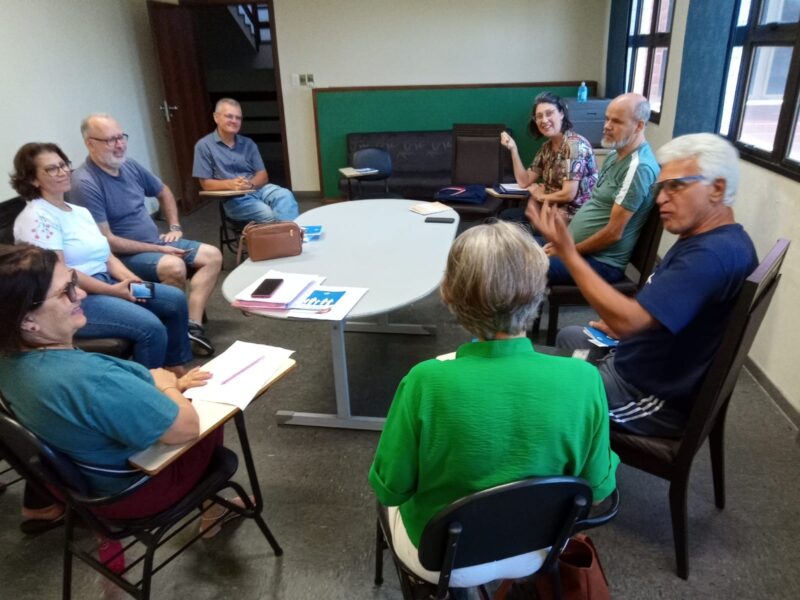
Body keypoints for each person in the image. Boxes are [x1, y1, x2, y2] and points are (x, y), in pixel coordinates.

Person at [368, 220, 618, 588]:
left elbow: (391, 487)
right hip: (540, 548)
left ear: (449, 294)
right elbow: (599, 486)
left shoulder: (425, 382)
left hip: (444, 558)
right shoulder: (584, 379)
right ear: (540, 290)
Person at [0, 245, 245, 564]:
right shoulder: (91, 378)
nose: (81, 294)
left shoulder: (12, 362)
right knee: (212, 404)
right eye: (65, 292)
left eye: (74, 282)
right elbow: (186, 429)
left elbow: (93, 407)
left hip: (80, 488)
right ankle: (213, 510)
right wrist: (168, 386)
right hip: (133, 495)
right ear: (27, 320)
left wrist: (160, 387)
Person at [528, 133, 758, 438]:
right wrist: (625, 327)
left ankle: (578, 449)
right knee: (571, 336)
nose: (661, 198)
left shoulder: (711, 255)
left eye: (676, 186)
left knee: (532, 391)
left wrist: (569, 255)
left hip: (646, 395)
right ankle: (577, 436)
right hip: (636, 358)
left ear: (717, 189)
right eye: (661, 188)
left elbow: (628, 322)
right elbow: (650, 311)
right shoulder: (710, 240)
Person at [11, 142, 192, 371]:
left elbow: (107, 257)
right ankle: (150, 385)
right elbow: (61, 273)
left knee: (174, 299)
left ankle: (175, 370)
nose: (63, 172)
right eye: (52, 169)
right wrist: (113, 291)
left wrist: (132, 280)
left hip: (110, 281)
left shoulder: (79, 211)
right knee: (150, 327)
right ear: (33, 180)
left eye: (64, 165)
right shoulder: (37, 217)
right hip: (75, 297)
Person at [69, 114, 221, 356]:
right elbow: (107, 241)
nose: (119, 145)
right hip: (124, 256)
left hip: (156, 243)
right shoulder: (85, 183)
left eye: (121, 137)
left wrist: (174, 227)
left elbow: (164, 191)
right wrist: (159, 249)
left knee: (212, 256)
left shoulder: (129, 166)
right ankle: (173, 333)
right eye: (110, 140)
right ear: (90, 143)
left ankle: (191, 326)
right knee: (174, 267)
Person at [527, 93, 660, 285]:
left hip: (601, 262)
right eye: (607, 119)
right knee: (516, 248)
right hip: (574, 247)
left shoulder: (639, 168)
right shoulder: (614, 155)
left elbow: (613, 233)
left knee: (523, 268)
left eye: (616, 121)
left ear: (639, 126)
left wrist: (567, 251)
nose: (606, 126)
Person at [192, 98, 299, 224]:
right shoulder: (204, 146)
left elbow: (263, 175)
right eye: (229, 116)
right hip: (233, 198)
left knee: (285, 195)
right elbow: (205, 184)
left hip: (257, 188)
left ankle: (286, 233)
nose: (234, 121)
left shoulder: (248, 143)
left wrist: (250, 184)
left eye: (238, 118)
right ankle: (282, 232)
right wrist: (231, 184)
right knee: (266, 213)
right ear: (216, 117)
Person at [500, 91, 598, 222]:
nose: (544, 120)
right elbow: (524, 181)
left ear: (561, 113)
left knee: (514, 221)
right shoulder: (546, 148)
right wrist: (513, 148)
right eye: (539, 116)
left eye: (549, 113)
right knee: (507, 216)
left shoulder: (574, 145)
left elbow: (568, 194)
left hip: (573, 217)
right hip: (550, 210)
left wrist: (540, 196)